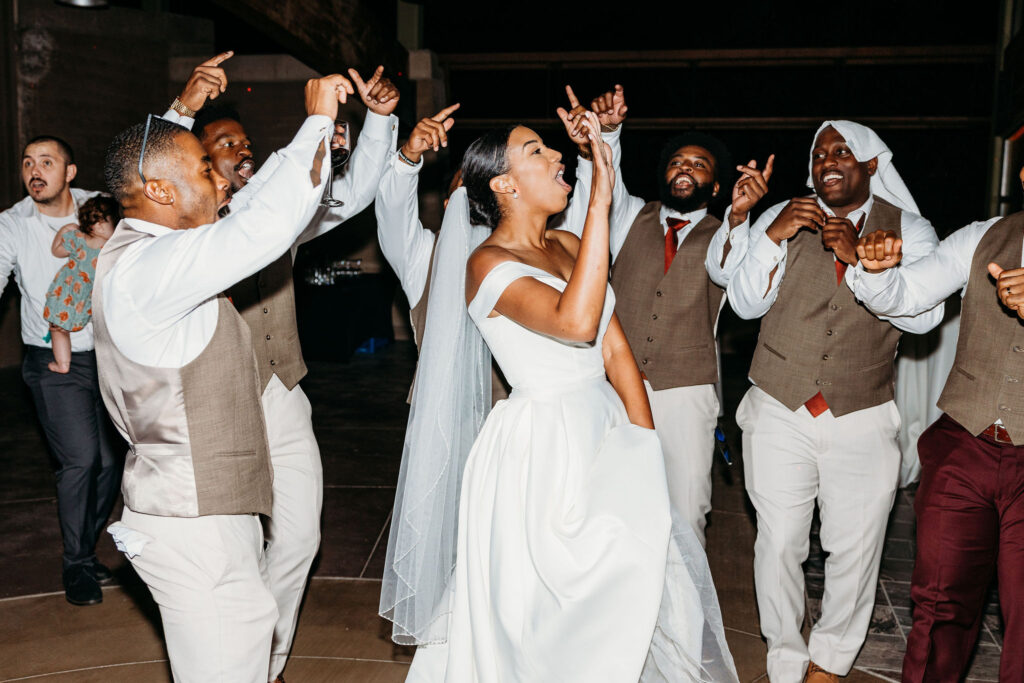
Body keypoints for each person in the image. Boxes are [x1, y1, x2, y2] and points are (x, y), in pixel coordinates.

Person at [384, 113, 737, 681]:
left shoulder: (571, 244)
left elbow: (615, 350)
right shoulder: (486, 265)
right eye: (536, 150)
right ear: (504, 184)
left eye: (551, 147)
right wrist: (600, 198)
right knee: (541, 606)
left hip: (604, 425)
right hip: (539, 445)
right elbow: (575, 323)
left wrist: (644, 442)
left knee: (631, 571)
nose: (556, 156)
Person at [96, 74, 348, 682]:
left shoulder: (153, 256)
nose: (218, 179)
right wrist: (315, 123)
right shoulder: (150, 265)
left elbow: (255, 210)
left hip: (206, 515)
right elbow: (261, 229)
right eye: (204, 168)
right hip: (192, 524)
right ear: (157, 188)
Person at [162, 53, 399, 683]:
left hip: (281, 391)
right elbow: (140, 174)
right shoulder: (172, 231)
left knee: (297, 540)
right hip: (214, 410)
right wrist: (182, 111)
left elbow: (352, 196)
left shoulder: (276, 212)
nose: (241, 150)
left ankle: (265, 666)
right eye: (223, 143)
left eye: (244, 140)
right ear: (194, 162)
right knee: (233, 556)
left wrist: (379, 123)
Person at [723, 120, 943, 682]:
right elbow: (745, 306)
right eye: (820, 152)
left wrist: (870, 263)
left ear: (872, 166)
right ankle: (785, 655)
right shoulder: (784, 219)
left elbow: (927, 318)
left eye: (842, 150)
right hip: (779, 405)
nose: (828, 160)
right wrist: (770, 236)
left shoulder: (911, 231)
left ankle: (831, 658)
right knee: (778, 543)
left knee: (856, 544)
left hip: (861, 414)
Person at [563, 83, 774, 545]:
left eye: (699, 165)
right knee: (609, 503)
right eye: (678, 162)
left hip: (688, 391)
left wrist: (739, 219)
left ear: (716, 186)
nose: (685, 168)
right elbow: (603, 188)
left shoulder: (730, 234)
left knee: (687, 511)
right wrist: (609, 136)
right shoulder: (632, 216)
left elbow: (728, 272)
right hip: (615, 383)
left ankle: (682, 613)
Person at [850, 164, 1024, 682]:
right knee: (937, 606)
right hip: (964, 446)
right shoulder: (984, 236)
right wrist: (879, 273)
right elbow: (910, 296)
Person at [0, 135, 120, 606]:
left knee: (110, 464)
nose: (35, 170)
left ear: (69, 173)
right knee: (80, 460)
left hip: (110, 355)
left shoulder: (99, 208)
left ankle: (85, 550)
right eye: (28, 162)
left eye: (47, 162)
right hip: (53, 359)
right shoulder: (12, 223)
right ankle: (76, 565)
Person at [43, 196, 120, 373]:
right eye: (115, 224)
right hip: (86, 301)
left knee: (58, 330)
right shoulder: (111, 248)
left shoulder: (78, 239)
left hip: (65, 295)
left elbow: (57, 251)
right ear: (100, 225)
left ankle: (63, 364)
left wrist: (63, 231)